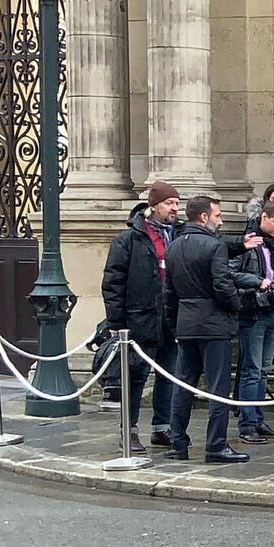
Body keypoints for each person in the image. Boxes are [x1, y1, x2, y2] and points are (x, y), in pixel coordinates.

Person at [162, 196, 252, 464]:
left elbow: (169, 293)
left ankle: (178, 442)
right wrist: (235, 306)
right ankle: (215, 444)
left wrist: (174, 322)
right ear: (204, 217)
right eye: (217, 216)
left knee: (183, 384)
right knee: (217, 388)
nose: (220, 220)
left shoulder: (174, 247)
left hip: (186, 323)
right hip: (213, 324)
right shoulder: (214, 247)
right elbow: (223, 286)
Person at [101, 181, 180, 454]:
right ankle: (129, 430)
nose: (174, 209)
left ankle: (162, 427)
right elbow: (113, 281)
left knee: (168, 374)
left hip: (170, 317)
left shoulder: (178, 235)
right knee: (135, 377)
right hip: (140, 317)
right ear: (154, 205)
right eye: (170, 203)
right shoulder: (129, 239)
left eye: (177, 204)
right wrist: (116, 322)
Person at [233, 200, 274, 445]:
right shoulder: (247, 241)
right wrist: (256, 282)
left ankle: (257, 419)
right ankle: (248, 423)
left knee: (263, 370)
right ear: (264, 217)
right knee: (252, 370)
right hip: (253, 311)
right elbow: (230, 273)